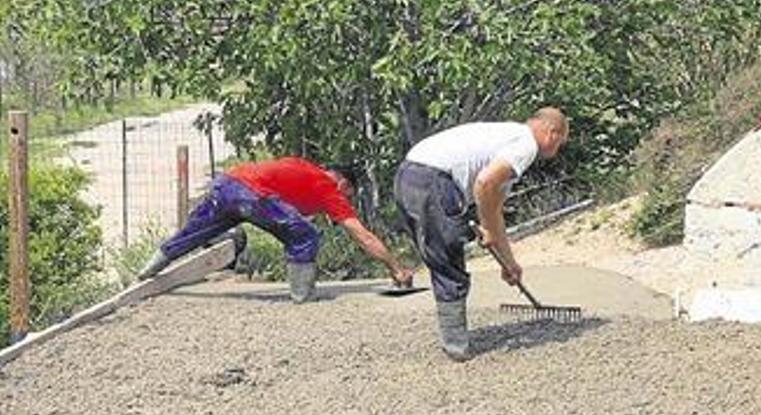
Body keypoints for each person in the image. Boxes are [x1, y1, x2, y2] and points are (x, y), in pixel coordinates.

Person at [393, 107, 569, 360]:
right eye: (559, 144)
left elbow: (493, 210)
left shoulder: (505, 137)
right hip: (433, 178)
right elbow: (485, 183)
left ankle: (453, 338)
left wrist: (509, 263)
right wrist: (485, 226)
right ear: (552, 133)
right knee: (449, 261)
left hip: (408, 175)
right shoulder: (525, 144)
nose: (556, 151)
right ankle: (455, 347)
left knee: (441, 258)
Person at [138, 157, 415, 302]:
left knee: (194, 231)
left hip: (225, 183)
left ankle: (148, 270)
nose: (346, 200)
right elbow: (361, 234)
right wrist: (395, 267)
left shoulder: (303, 168)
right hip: (251, 194)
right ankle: (301, 295)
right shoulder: (329, 188)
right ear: (344, 184)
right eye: (349, 195)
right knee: (304, 235)